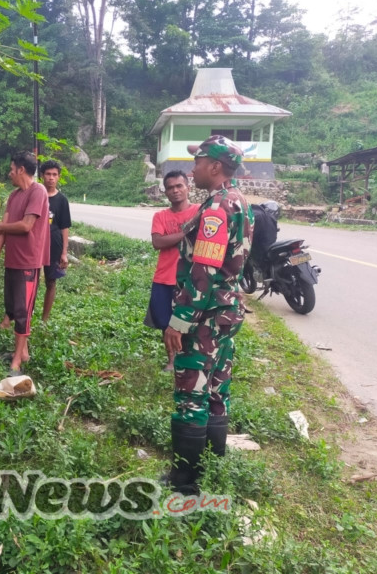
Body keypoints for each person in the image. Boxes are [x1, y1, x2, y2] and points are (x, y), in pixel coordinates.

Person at [162, 135, 253, 494]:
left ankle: (185, 483)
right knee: (216, 390)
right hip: (226, 313)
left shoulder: (216, 209)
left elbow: (203, 271)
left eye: (198, 161)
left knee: (190, 395)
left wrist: (179, 321)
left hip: (205, 318)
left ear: (215, 167)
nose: (193, 167)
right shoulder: (240, 201)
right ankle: (211, 467)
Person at [0, 151, 49, 375]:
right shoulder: (13, 196)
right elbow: (3, 226)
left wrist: (2, 227)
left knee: (23, 311)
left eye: (12, 170)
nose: (9, 173)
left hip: (28, 262)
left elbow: (25, 225)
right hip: (11, 261)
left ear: (21, 170)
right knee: (12, 308)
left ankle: (16, 362)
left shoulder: (38, 191)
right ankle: (23, 352)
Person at [144, 171, 199, 370]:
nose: (175, 190)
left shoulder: (199, 212)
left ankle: (189, 357)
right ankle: (172, 360)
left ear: (188, 188)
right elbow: (157, 242)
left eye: (179, 186)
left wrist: (175, 237)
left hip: (191, 279)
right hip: (164, 277)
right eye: (170, 187)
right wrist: (186, 232)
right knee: (165, 323)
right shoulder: (160, 216)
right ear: (165, 192)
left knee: (190, 321)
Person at [40, 160, 72, 322]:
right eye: (48, 174)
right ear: (42, 176)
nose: (51, 178)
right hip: (35, 245)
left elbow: (65, 227)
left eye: (54, 175)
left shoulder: (62, 200)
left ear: (58, 177)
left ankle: (44, 319)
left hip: (54, 245)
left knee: (51, 282)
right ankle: (25, 316)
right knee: (29, 280)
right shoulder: (36, 196)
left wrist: (64, 253)